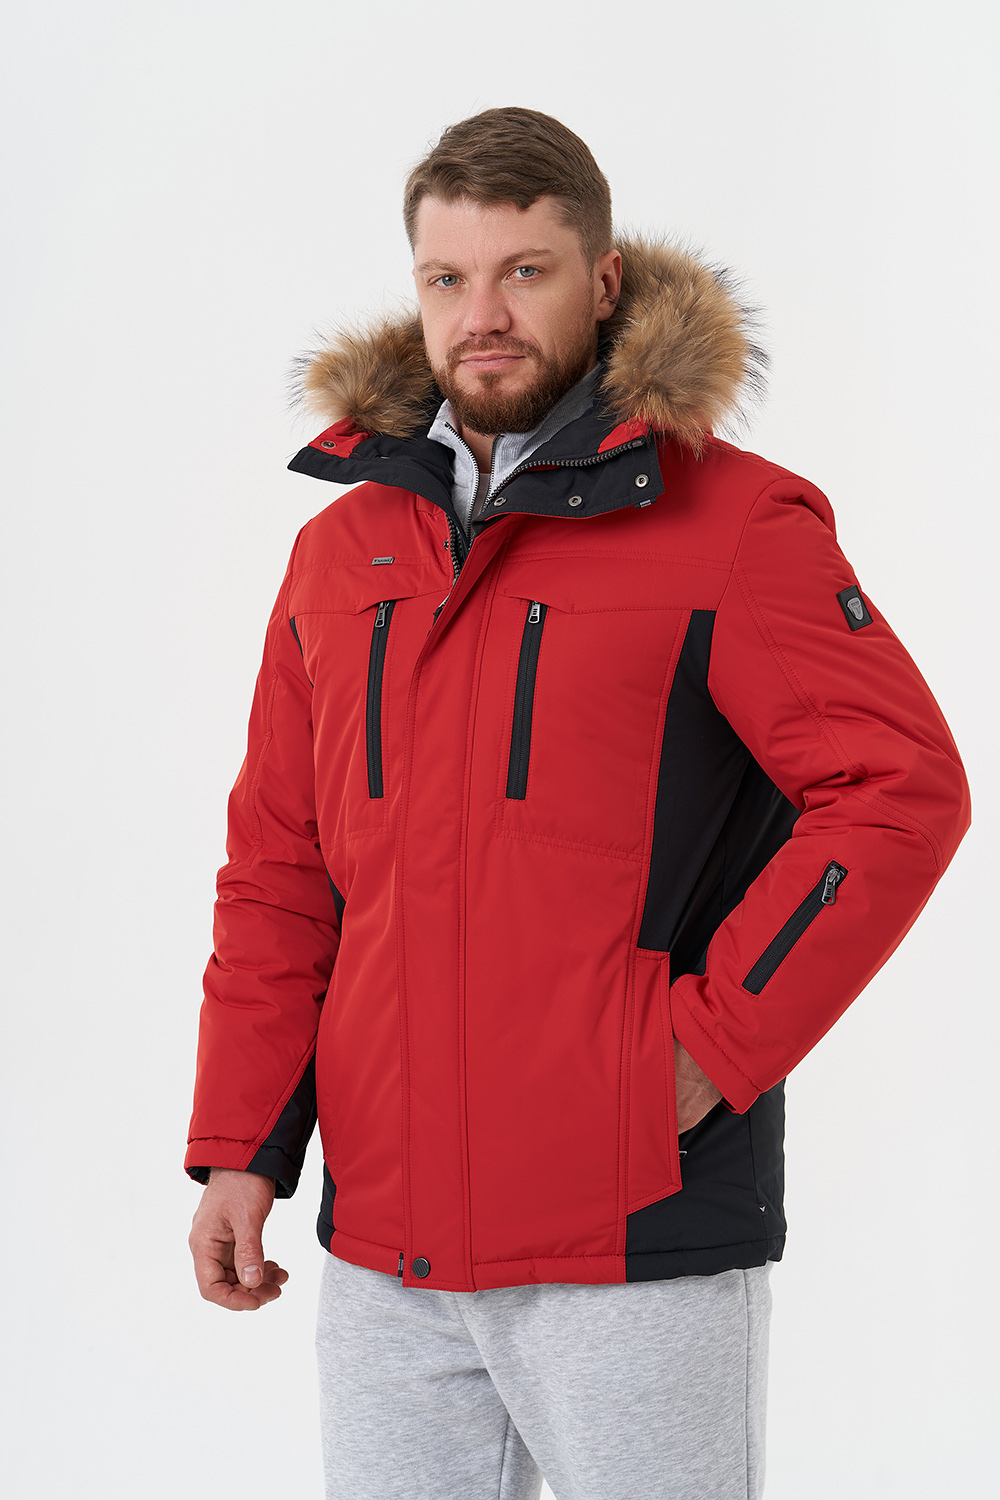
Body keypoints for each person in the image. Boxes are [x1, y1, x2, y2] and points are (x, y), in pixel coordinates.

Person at [186, 107, 971, 1499]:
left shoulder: (732, 524)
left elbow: (897, 790)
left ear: (602, 282)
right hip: (387, 1248)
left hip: (629, 1227)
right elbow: (281, 870)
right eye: (448, 278)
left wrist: (714, 1043)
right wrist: (244, 1147)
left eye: (524, 272)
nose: (481, 315)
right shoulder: (341, 552)